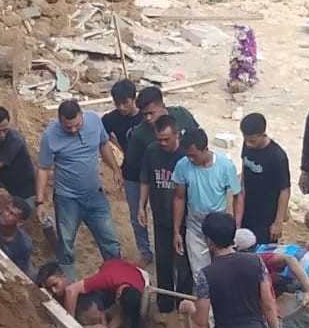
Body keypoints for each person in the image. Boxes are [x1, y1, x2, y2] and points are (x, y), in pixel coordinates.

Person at [36, 99, 123, 277]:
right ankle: (68, 284)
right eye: (68, 127)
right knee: (66, 243)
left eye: (77, 125)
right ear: (59, 120)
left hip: (95, 195)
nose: (74, 130)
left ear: (82, 115)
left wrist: (115, 169)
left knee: (110, 241)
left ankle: (116, 278)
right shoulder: (50, 135)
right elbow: (43, 169)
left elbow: (103, 144)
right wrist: (40, 202)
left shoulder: (94, 120)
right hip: (67, 199)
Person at [39, 257, 148, 328]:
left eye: (55, 285)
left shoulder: (136, 291)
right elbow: (71, 290)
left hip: (131, 278)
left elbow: (116, 314)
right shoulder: (105, 279)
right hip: (113, 270)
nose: (53, 291)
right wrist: (71, 327)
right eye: (49, 287)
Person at [137, 116, 192, 314]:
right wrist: (141, 207)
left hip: (186, 219)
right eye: (159, 139)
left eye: (166, 139)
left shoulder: (186, 155)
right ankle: (165, 302)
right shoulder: (152, 152)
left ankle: (184, 302)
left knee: (184, 263)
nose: (162, 143)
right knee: (163, 260)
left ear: (177, 135)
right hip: (160, 216)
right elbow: (145, 180)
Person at [173, 128, 241, 277]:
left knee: (224, 270)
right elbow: (179, 197)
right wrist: (177, 231)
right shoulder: (182, 166)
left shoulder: (225, 166)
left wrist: (236, 225)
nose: (190, 159)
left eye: (193, 155)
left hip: (218, 226)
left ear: (205, 150)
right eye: (187, 155)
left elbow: (238, 194)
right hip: (195, 226)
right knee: (200, 274)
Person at [103, 78, 151, 266]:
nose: (122, 107)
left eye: (125, 102)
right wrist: (116, 164)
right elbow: (102, 137)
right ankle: (145, 250)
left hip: (153, 172)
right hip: (131, 173)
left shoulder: (146, 116)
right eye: (117, 103)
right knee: (136, 215)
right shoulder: (111, 119)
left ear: (134, 99)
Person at [122, 87, 198, 204]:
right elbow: (133, 163)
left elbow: (197, 137)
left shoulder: (182, 115)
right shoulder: (139, 135)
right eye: (144, 114)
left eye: (151, 113)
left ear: (162, 106)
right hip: (162, 183)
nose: (148, 118)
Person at [236, 112, 291, 244]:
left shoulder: (277, 156)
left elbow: (285, 190)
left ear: (263, 134)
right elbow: (244, 171)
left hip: (266, 217)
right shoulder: (247, 145)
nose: (248, 144)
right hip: (247, 211)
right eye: (246, 139)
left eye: (252, 141)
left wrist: (278, 222)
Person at [0, 199, 34, 274]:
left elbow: (19, 273)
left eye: (12, 214)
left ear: (20, 222)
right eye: (7, 209)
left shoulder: (24, 246)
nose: (6, 214)